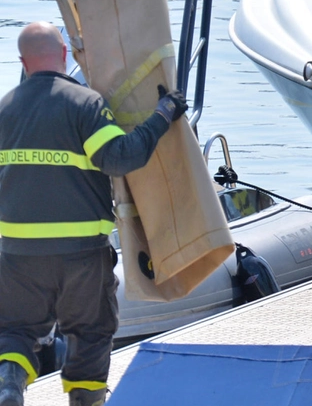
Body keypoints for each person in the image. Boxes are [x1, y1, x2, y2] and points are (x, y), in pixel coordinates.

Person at [0, 23, 186, 406]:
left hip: (18, 253)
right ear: (64, 56)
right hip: (81, 253)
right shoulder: (84, 104)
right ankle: (85, 401)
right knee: (89, 330)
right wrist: (163, 114)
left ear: (22, 62)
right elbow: (121, 158)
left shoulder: (4, 108)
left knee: (15, 329)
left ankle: (8, 386)